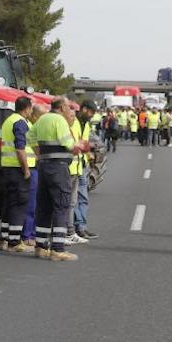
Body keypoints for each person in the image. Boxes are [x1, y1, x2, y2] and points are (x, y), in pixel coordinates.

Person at [28, 96, 84, 261]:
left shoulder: (43, 119)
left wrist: (39, 155)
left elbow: (30, 136)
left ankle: (41, 246)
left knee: (44, 207)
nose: (68, 109)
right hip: (58, 167)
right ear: (61, 107)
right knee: (61, 205)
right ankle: (58, 249)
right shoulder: (59, 120)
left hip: (44, 166)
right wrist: (80, 146)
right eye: (67, 106)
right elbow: (68, 144)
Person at [0, 96, 35, 252]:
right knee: (19, 204)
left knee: (9, 203)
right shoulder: (20, 122)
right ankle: (14, 242)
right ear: (26, 108)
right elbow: (20, 148)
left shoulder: (8, 120)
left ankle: (5, 239)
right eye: (31, 108)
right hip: (18, 169)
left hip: (7, 168)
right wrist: (26, 170)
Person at [22, 103, 48, 246]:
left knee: (37, 204)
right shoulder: (30, 129)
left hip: (36, 168)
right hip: (31, 169)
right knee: (31, 205)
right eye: (42, 117)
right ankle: (27, 236)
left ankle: (31, 234)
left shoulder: (35, 128)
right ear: (35, 116)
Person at [74, 100, 99, 240]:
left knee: (83, 197)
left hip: (82, 165)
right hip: (71, 165)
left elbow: (84, 142)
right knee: (73, 200)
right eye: (91, 112)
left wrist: (89, 153)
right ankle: (74, 228)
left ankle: (81, 227)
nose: (92, 115)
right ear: (84, 109)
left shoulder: (86, 124)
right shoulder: (73, 121)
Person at [65, 101, 90, 245]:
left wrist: (84, 148)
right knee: (68, 203)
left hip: (78, 166)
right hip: (68, 168)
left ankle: (74, 229)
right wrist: (79, 147)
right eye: (71, 115)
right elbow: (70, 146)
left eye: (74, 116)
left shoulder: (81, 124)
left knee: (74, 201)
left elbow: (82, 144)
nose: (73, 118)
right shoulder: (66, 125)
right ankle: (68, 232)